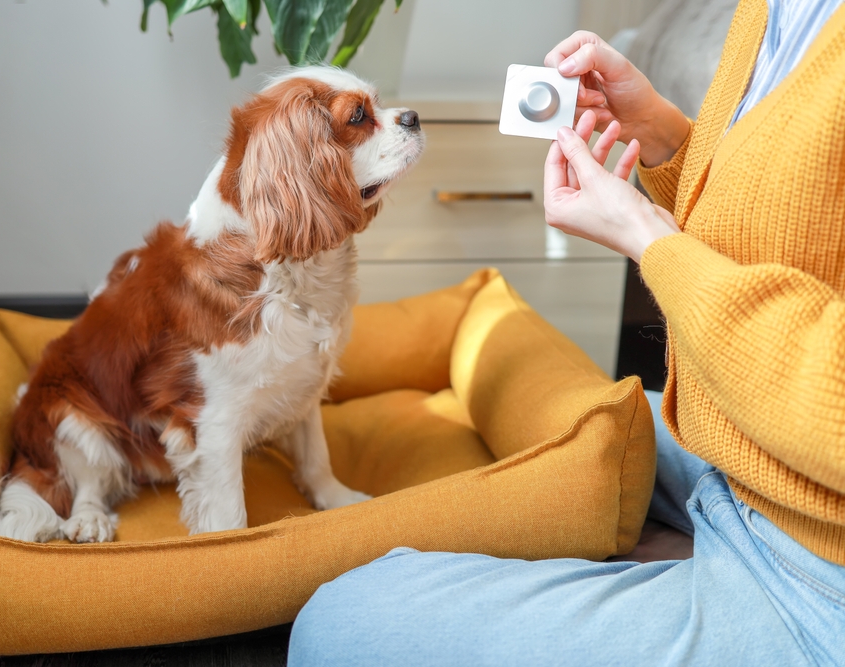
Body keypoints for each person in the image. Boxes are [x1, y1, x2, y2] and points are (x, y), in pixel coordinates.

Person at [287, 0, 845, 664]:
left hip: (816, 569)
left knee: (341, 623)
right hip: (748, 448)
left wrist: (647, 238)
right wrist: (666, 138)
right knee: (590, 420)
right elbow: (800, 225)